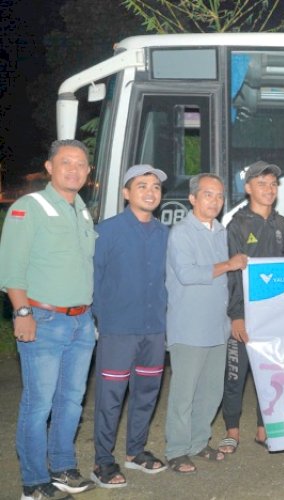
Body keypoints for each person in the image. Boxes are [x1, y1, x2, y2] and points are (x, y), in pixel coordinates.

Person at [0, 139, 97, 499]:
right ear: (49, 167)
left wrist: (90, 316)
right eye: (65, 162)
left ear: (88, 173)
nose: (74, 169)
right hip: (43, 319)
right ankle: (34, 481)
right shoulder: (31, 207)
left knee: (72, 400)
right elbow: (12, 268)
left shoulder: (81, 210)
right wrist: (22, 312)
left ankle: (61, 467)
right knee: (38, 404)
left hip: (81, 322)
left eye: (81, 164)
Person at [91, 165, 170, 488]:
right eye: (142, 186)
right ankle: (103, 461)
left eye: (155, 187)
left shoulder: (165, 233)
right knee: (110, 396)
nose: (150, 191)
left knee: (147, 394)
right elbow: (93, 278)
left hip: (154, 329)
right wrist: (99, 319)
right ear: (126, 193)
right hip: (118, 330)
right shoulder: (106, 231)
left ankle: (135, 451)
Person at [164, 173, 248, 474]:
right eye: (208, 195)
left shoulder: (221, 232)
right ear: (193, 199)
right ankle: (176, 450)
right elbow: (188, 274)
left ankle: (199, 443)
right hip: (188, 327)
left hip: (217, 326)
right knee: (183, 394)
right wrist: (229, 264)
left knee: (211, 392)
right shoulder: (181, 232)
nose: (215, 201)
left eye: (219, 196)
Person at [219, 162, 284, 455]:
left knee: (270, 373)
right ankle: (231, 431)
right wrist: (236, 315)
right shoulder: (236, 224)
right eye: (262, 184)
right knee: (236, 375)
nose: (269, 189)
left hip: (275, 315)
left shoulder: (283, 224)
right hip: (244, 314)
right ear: (248, 188)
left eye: (273, 184)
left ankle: (264, 429)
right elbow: (232, 274)